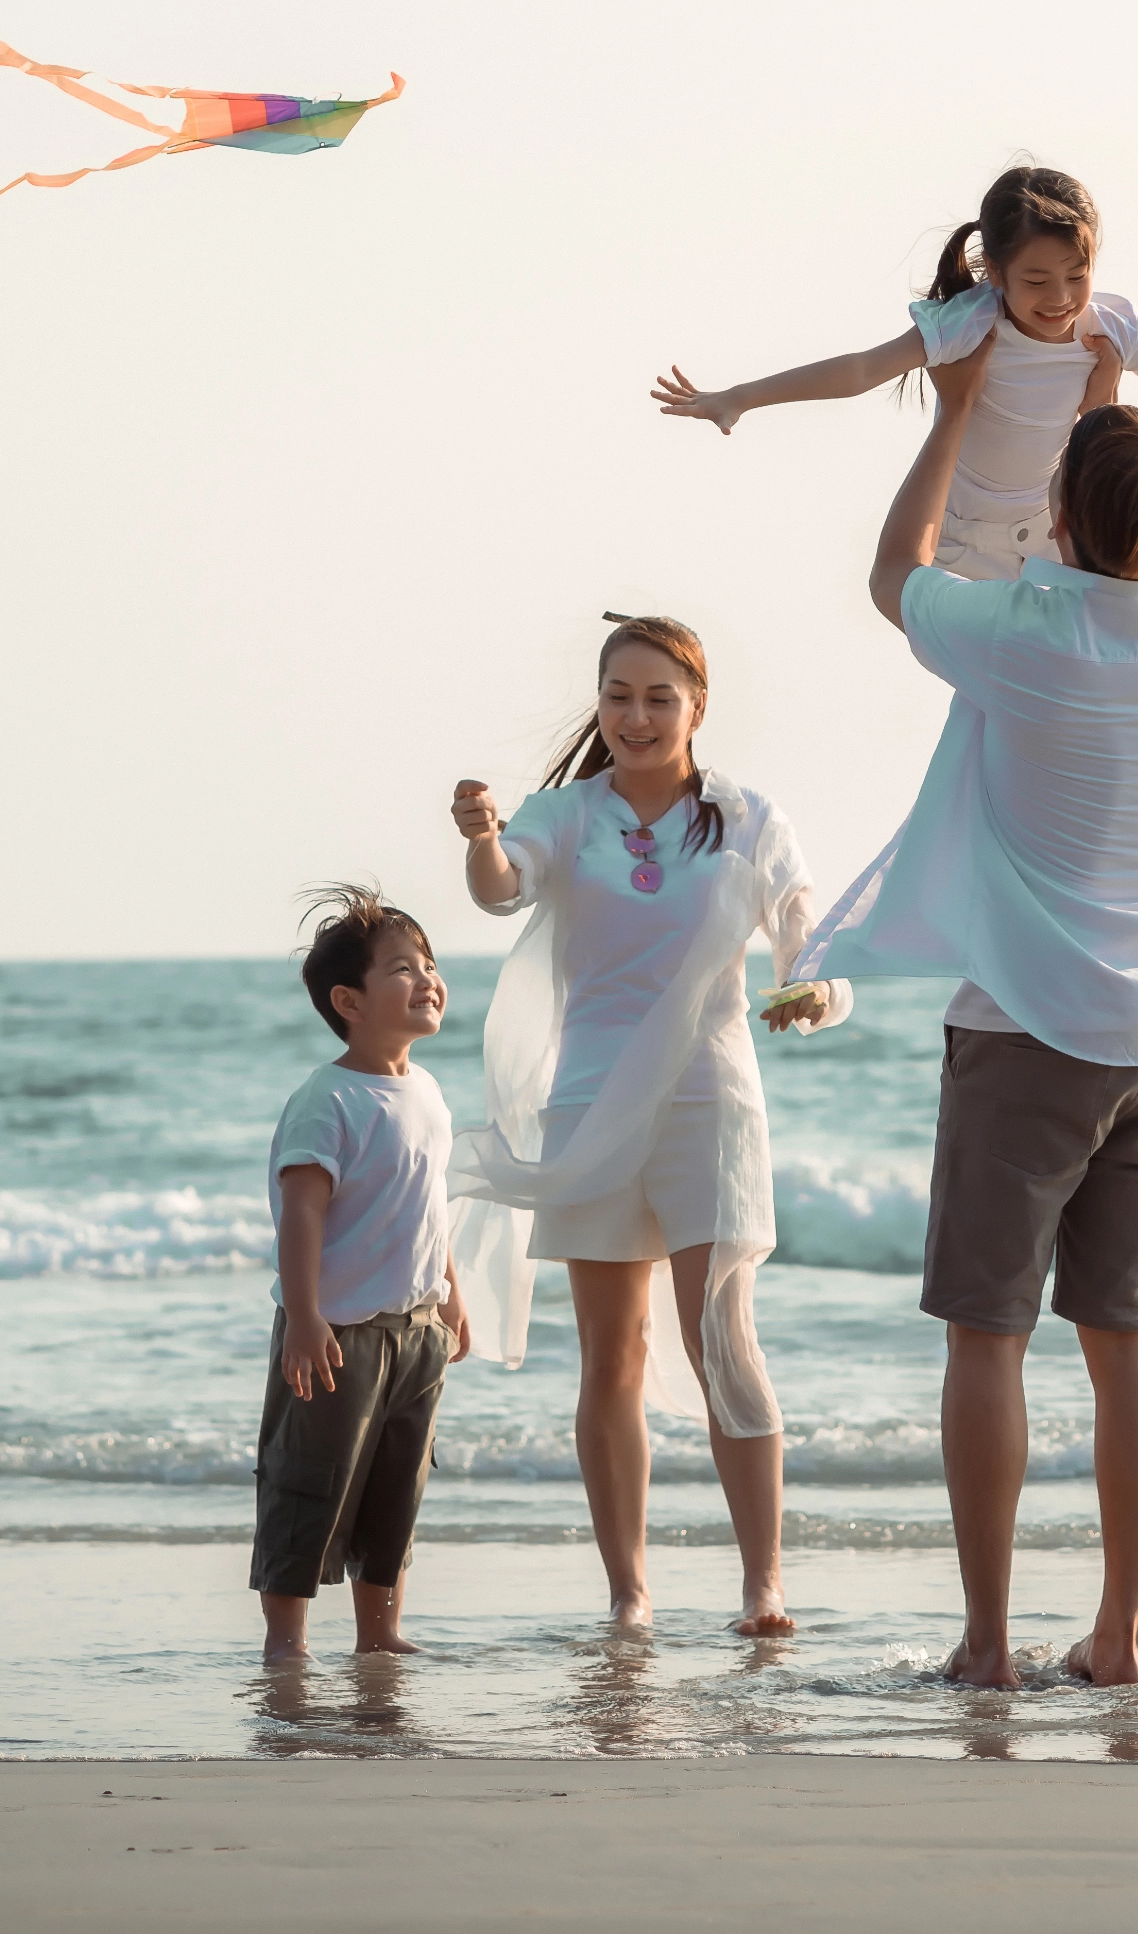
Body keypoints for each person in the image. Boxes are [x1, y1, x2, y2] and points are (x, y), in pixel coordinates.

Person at [794, 343, 1138, 1688]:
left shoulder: (1020, 637)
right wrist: (1098, 391)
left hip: (1030, 1028)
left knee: (989, 1336)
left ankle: (987, 1644)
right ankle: (1122, 1638)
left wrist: (955, 411)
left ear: (1058, 515)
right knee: (1124, 1341)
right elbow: (1120, 522)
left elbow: (892, 573)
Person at [445, 614, 851, 1638]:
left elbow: (808, 932)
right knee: (609, 1354)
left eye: (658, 696)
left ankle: (764, 1583)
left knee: (724, 1335)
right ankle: (628, 1593)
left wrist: (815, 989)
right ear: (600, 704)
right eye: (618, 695)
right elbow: (502, 891)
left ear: (695, 706)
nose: (635, 715)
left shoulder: (746, 815)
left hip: (711, 1099)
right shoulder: (564, 813)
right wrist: (483, 836)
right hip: (586, 1102)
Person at [650, 162, 1138, 583]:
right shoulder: (972, 322)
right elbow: (860, 370)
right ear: (996, 271)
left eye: (1077, 275)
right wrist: (738, 397)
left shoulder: (1113, 325)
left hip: (1052, 533)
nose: (1061, 300)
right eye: (1037, 281)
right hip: (963, 534)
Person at [255, 885, 476, 1663]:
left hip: (416, 1330)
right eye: (401, 970)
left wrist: (450, 1293)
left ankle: (379, 1634)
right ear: (349, 999)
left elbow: (429, 1203)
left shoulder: (428, 1092)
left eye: (429, 965)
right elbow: (303, 1214)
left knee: (397, 1486)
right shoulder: (330, 1100)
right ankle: (287, 1641)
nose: (426, 980)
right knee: (309, 1483)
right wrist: (307, 1318)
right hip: (337, 1332)